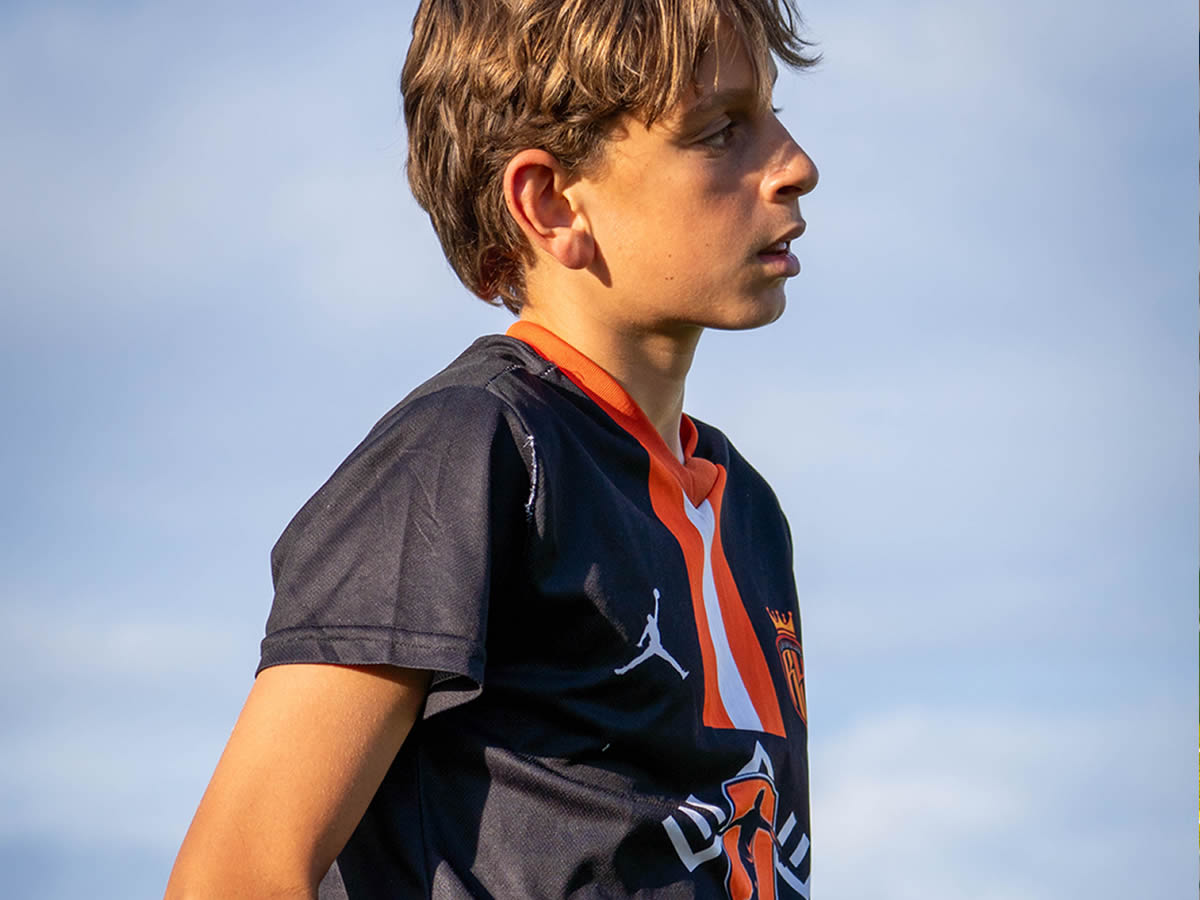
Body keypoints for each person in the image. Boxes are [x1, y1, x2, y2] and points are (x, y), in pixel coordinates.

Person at [164, 0, 819, 896]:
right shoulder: (467, 453)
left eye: (773, 112)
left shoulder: (748, 511)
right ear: (550, 203)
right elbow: (236, 875)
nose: (796, 164)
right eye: (719, 131)